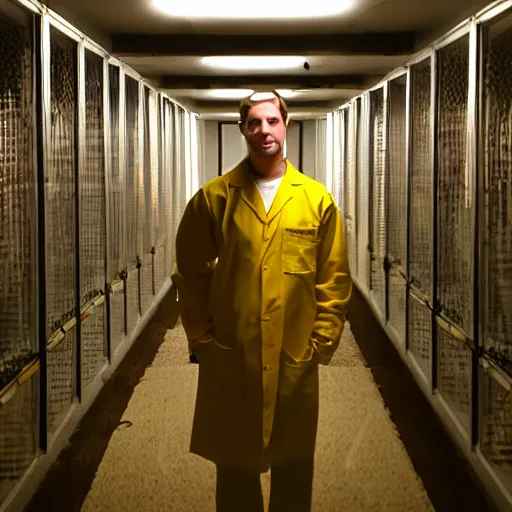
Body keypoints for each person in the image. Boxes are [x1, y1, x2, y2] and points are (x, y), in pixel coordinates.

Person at [171, 90, 352, 511]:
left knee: (293, 465)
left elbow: (333, 277)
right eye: (254, 122)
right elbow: (190, 271)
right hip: (234, 352)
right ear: (243, 129)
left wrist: (322, 342)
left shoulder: (316, 200)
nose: (264, 130)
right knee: (235, 467)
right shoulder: (215, 197)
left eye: (272, 121)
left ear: (285, 125)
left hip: (295, 354)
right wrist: (203, 337)